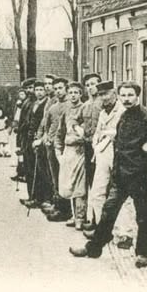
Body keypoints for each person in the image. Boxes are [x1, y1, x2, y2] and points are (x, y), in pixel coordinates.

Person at [70, 81, 147, 268]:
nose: (126, 98)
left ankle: (142, 253)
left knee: (143, 215)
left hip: (139, 176)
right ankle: (94, 248)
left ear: (137, 96)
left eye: (130, 95)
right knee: (108, 211)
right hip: (120, 175)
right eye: (123, 95)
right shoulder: (124, 116)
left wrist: (146, 151)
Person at [83, 80, 124, 232]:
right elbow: (97, 133)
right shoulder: (102, 112)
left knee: (120, 196)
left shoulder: (122, 111)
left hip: (117, 155)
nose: (104, 98)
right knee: (96, 193)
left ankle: (122, 231)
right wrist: (96, 145)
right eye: (101, 95)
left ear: (114, 93)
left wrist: (106, 135)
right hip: (101, 155)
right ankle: (103, 229)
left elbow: (118, 133)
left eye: (106, 94)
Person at [35, 77, 71, 222]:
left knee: (64, 177)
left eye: (60, 88)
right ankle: (57, 204)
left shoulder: (70, 106)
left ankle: (65, 209)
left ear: (66, 89)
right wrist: (44, 138)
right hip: (51, 146)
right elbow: (46, 124)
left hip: (64, 147)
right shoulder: (52, 107)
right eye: (55, 89)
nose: (57, 91)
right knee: (54, 175)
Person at [56, 82, 86, 230]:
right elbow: (59, 133)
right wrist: (58, 152)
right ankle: (73, 215)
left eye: (76, 92)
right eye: (71, 92)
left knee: (79, 185)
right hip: (68, 153)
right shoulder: (66, 111)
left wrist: (77, 139)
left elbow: (88, 133)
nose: (73, 95)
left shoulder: (85, 109)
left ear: (81, 94)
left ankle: (80, 217)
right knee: (68, 184)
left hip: (80, 151)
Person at [77, 73, 103, 227]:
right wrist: (77, 128)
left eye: (93, 84)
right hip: (87, 146)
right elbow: (75, 119)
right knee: (91, 182)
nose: (90, 87)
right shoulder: (85, 105)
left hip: (100, 146)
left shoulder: (104, 103)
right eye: (87, 85)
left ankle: (99, 221)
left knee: (100, 184)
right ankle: (92, 218)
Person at [20, 81, 49, 208]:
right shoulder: (33, 104)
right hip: (29, 139)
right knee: (30, 168)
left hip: (39, 140)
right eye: (37, 90)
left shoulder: (46, 104)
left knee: (39, 170)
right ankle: (32, 196)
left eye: (41, 90)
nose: (39, 92)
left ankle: (39, 198)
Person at [11, 79, 36, 182]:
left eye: (32, 88)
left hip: (28, 134)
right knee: (23, 156)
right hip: (23, 134)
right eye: (28, 88)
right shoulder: (25, 102)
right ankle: (22, 173)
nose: (30, 90)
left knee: (30, 160)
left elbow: (29, 120)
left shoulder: (33, 103)